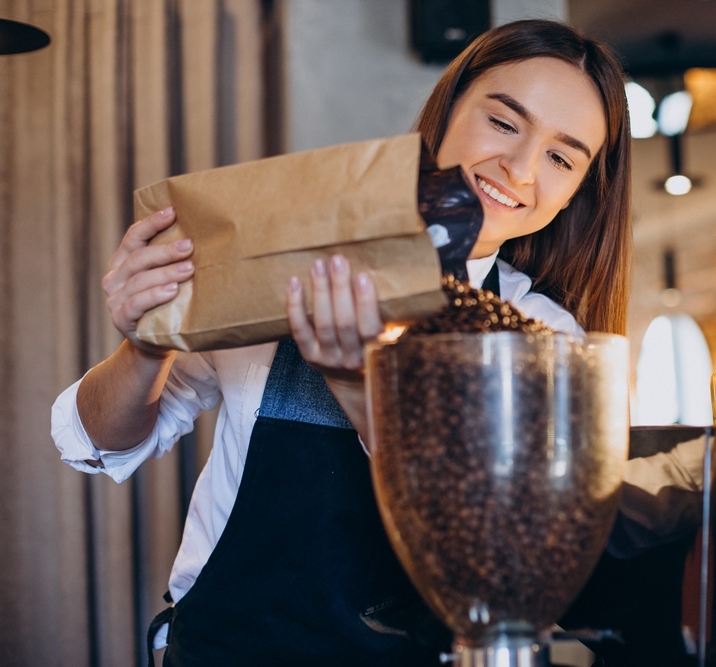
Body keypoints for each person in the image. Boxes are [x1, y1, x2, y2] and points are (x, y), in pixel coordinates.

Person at [51, 19, 632, 667]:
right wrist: (145, 343)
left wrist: (361, 383)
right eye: (503, 122)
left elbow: (504, 554)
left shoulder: (542, 336)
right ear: (448, 110)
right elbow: (99, 440)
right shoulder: (284, 261)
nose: (520, 168)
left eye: (561, 156)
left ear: (580, 188)